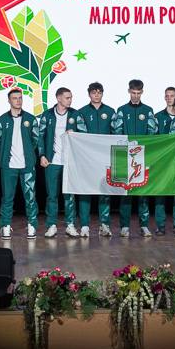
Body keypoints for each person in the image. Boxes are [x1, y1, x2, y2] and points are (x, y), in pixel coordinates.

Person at [113, 79, 158, 238]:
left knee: (143, 193)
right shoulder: (121, 110)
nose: (136, 96)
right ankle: (124, 226)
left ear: (142, 92)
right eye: (133, 93)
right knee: (126, 194)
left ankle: (144, 225)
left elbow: (153, 132)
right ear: (129, 91)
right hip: (125, 157)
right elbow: (116, 131)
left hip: (142, 156)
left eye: (138, 93)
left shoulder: (148, 111)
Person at [0, 88, 39, 239]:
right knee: (7, 198)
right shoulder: (2, 120)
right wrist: (6, 154)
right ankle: (5, 226)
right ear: (9, 100)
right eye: (15, 98)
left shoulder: (31, 119)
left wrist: (28, 153)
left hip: (27, 165)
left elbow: (35, 140)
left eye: (20, 98)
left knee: (30, 197)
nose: (18, 101)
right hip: (8, 166)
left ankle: (32, 226)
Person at [36, 87, 79, 238]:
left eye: (71, 97)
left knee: (69, 195)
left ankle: (70, 225)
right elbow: (40, 136)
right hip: (52, 161)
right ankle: (51, 225)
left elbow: (84, 133)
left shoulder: (75, 114)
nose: (70, 100)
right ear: (58, 98)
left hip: (69, 162)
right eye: (67, 97)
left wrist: (75, 134)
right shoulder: (47, 115)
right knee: (52, 195)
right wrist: (42, 155)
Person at [75, 81, 116, 237]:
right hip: (87, 159)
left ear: (102, 94)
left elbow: (115, 133)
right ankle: (84, 225)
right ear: (89, 94)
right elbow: (80, 135)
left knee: (104, 190)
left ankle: (104, 224)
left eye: (99, 92)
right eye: (94, 92)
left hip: (105, 158)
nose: (96, 95)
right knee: (85, 191)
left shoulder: (111, 112)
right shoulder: (82, 112)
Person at [154, 87, 175, 235]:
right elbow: (153, 138)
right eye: (167, 96)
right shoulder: (157, 116)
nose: (169, 98)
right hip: (162, 161)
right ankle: (160, 226)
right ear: (164, 97)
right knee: (159, 194)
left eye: (172, 96)